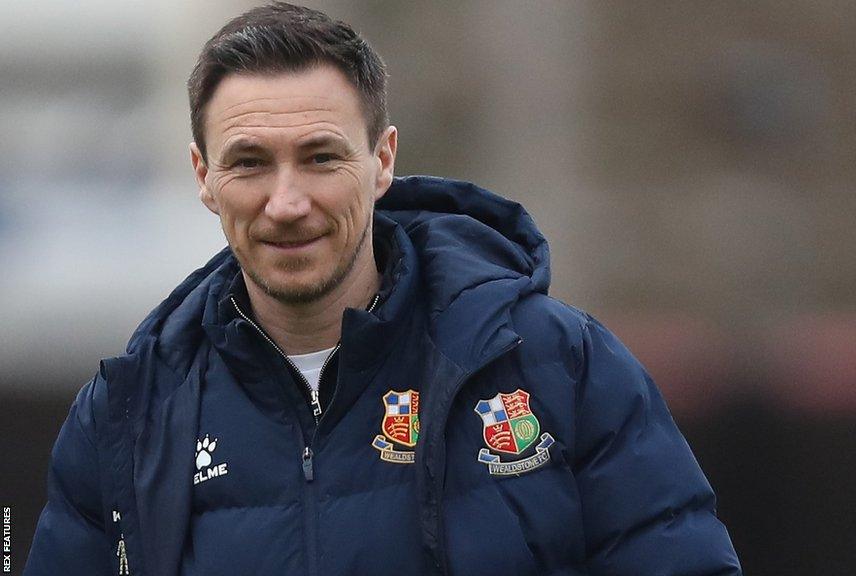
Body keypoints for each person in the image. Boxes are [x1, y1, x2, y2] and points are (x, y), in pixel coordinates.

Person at [25, 3, 741, 575]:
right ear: (202, 176)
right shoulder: (126, 415)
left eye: (320, 157)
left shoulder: (561, 364)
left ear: (382, 160)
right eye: (249, 162)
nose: (286, 201)